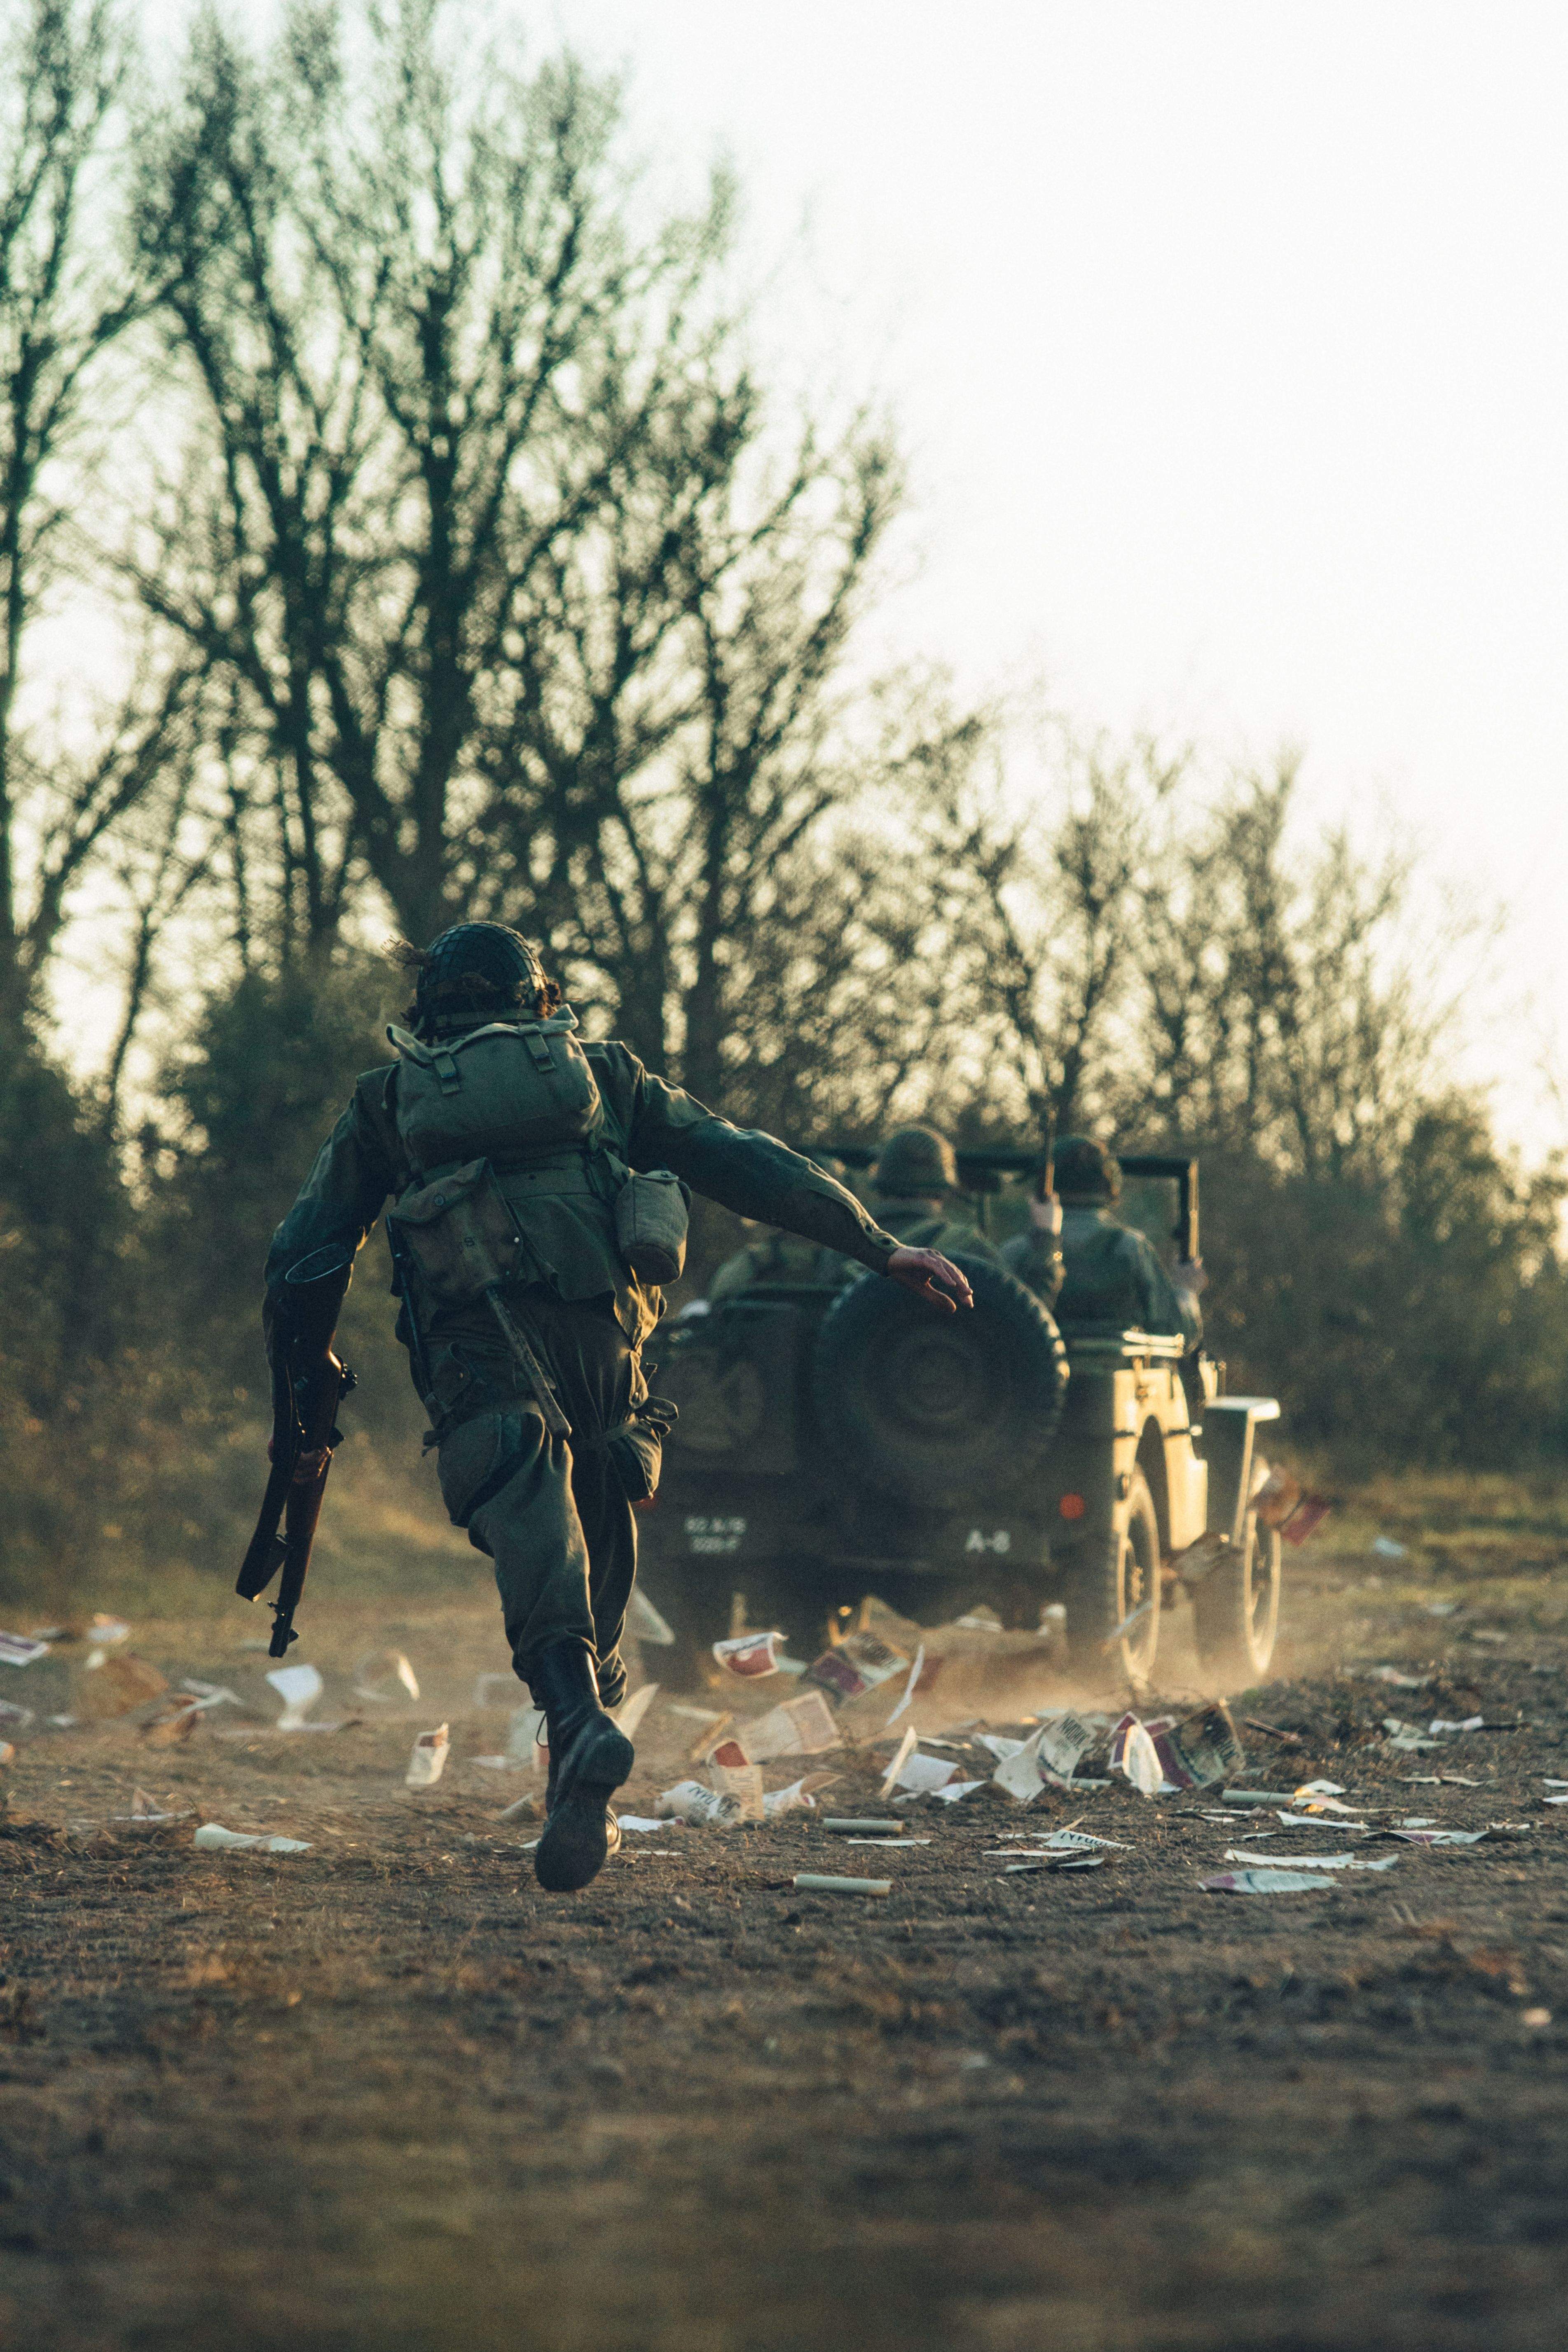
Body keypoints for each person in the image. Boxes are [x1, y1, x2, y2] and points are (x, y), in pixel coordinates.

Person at [262, 924, 970, 1893]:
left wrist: (307, 1377)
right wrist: (875, 1244)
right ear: (540, 1003)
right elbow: (743, 1161)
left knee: (525, 1511)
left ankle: (577, 1720)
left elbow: (302, 1255)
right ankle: (580, 1777)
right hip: (604, 1343)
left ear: (429, 1013)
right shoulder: (604, 1078)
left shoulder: (389, 1103)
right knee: (594, 1523)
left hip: (482, 1345)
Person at [1033, 1133, 1205, 1344]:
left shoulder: (1021, 1252)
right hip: (1117, 1366)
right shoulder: (1131, 1249)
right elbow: (1178, 1333)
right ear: (1109, 1185)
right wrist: (1186, 1291)